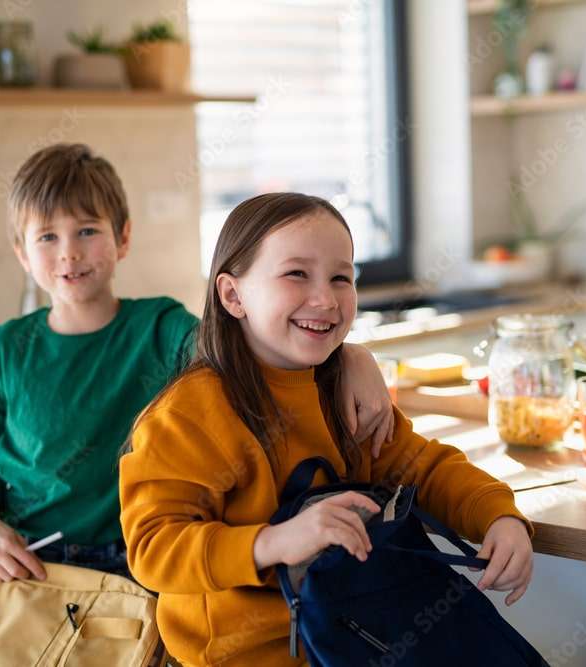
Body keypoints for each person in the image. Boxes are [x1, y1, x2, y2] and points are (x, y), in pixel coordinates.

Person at [119, 192, 535, 666]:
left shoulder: (344, 390)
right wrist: (272, 542)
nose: (324, 298)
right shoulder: (189, 414)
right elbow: (153, 548)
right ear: (233, 296)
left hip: (355, 639)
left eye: (341, 277)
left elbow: (422, 466)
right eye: (297, 274)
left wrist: (497, 516)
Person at [0, 146, 395, 582]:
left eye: (88, 231)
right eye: (47, 237)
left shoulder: (160, 327)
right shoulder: (8, 345)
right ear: (22, 253)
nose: (69, 253)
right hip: (28, 559)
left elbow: (244, 348)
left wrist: (350, 356)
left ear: (124, 238)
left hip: (129, 563)